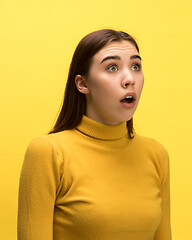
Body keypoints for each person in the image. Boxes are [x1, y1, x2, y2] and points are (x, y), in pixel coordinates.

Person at [17, 29, 172, 240]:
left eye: (135, 66)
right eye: (112, 67)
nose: (129, 79)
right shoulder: (49, 152)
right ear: (83, 84)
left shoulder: (156, 154)